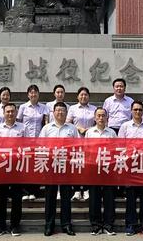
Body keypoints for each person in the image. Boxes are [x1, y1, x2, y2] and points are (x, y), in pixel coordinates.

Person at [39, 102, 79, 237]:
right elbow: (40, 146)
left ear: (66, 113)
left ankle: (66, 224)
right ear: (53, 113)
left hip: (66, 166)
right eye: (57, 110)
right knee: (50, 197)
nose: (60, 113)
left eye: (63, 110)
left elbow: (77, 147)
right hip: (50, 166)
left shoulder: (72, 129)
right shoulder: (46, 128)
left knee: (66, 197)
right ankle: (49, 224)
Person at [119, 100, 143, 236]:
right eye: (135, 110)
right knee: (130, 198)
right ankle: (130, 224)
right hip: (130, 166)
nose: (137, 112)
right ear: (131, 111)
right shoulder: (125, 126)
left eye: (140, 110)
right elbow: (120, 147)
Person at [0, 103, 27, 236]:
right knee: (1, 197)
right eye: (8, 112)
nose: (10, 114)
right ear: (3, 113)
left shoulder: (23, 128)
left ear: (16, 112)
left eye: (12, 111)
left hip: (17, 167)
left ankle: (15, 225)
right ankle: (0, 226)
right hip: (2, 167)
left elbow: (27, 146)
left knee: (17, 198)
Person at [85, 107, 117, 235]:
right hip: (94, 169)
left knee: (109, 198)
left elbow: (116, 150)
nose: (101, 118)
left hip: (108, 169)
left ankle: (109, 225)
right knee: (94, 199)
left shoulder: (112, 133)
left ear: (107, 118)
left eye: (103, 115)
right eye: (98, 115)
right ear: (94, 118)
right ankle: (96, 225)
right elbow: (86, 150)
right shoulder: (89, 132)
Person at [17, 84, 48, 201]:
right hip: (25, 141)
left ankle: (35, 191)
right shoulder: (23, 107)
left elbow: (45, 123)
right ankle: (25, 191)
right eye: (31, 92)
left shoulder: (43, 107)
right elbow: (19, 123)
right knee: (25, 166)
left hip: (39, 141)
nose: (33, 94)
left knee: (37, 166)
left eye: (35, 92)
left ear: (38, 94)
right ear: (28, 94)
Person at [66, 87, 96, 201]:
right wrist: (78, 128)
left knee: (88, 166)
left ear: (89, 96)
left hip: (90, 141)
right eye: (81, 95)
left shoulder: (94, 108)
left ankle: (87, 189)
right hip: (76, 140)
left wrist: (88, 129)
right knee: (77, 165)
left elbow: (99, 122)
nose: (84, 97)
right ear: (77, 96)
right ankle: (77, 190)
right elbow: (68, 122)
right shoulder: (73, 108)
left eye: (86, 95)